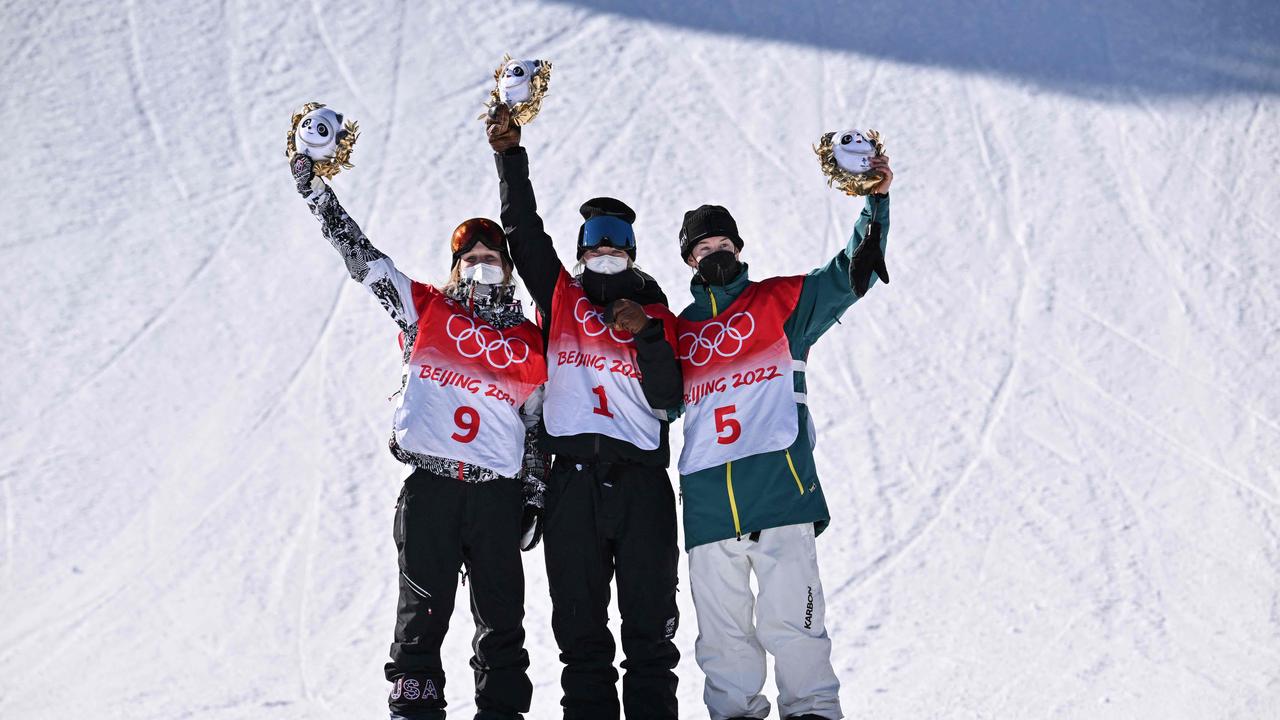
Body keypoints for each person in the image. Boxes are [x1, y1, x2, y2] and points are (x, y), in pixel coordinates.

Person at [288, 149, 549, 720]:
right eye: (471, 259)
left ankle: (501, 710)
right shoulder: (425, 311)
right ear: (456, 269)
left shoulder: (532, 342)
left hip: (495, 497)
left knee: (502, 618)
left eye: (491, 258)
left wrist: (533, 495)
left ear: (507, 269)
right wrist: (316, 194)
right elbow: (363, 259)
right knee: (421, 614)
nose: (482, 266)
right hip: (432, 487)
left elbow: (534, 428)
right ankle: (414, 705)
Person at [673, 156, 895, 720]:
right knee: (723, 646)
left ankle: (814, 712)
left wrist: (875, 202)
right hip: (707, 510)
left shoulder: (781, 303)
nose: (714, 254)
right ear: (689, 262)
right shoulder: (677, 333)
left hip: (780, 494)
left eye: (723, 244)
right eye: (702, 249)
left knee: (794, 630)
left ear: (739, 249)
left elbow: (853, 270)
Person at [485, 105, 683, 720]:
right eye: (594, 239)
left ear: (633, 252)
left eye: (617, 241)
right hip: (572, 485)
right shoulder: (562, 297)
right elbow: (521, 230)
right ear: (579, 250)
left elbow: (671, 398)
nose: (604, 248)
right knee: (581, 638)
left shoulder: (661, 315)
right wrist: (509, 156)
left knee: (650, 636)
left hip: (642, 485)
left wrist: (647, 334)